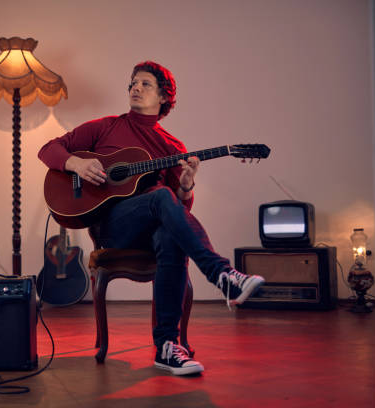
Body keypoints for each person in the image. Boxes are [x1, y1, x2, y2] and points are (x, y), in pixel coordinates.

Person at [38, 61, 264, 376]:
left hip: (154, 230)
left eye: (145, 84)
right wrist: (75, 163)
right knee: (160, 196)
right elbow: (49, 149)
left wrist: (186, 186)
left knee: (170, 229)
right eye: (133, 82)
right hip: (113, 228)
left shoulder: (172, 147)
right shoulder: (105, 127)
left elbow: (180, 212)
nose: (135, 87)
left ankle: (168, 348)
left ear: (163, 97)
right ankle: (222, 274)